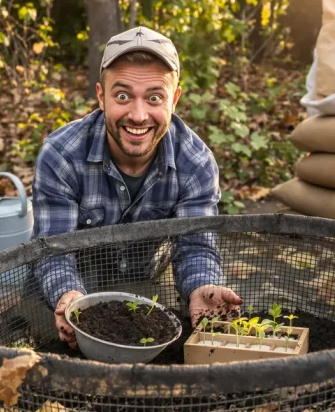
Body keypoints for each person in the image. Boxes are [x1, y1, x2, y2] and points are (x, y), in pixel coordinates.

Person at [32, 26, 243, 348]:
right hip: (72, 281)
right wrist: (67, 295)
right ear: (101, 96)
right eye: (123, 96)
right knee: (41, 344)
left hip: (145, 279)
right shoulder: (61, 155)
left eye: (154, 98)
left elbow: (196, 246)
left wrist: (202, 286)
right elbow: (53, 249)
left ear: (174, 99)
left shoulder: (196, 163)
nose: (139, 115)